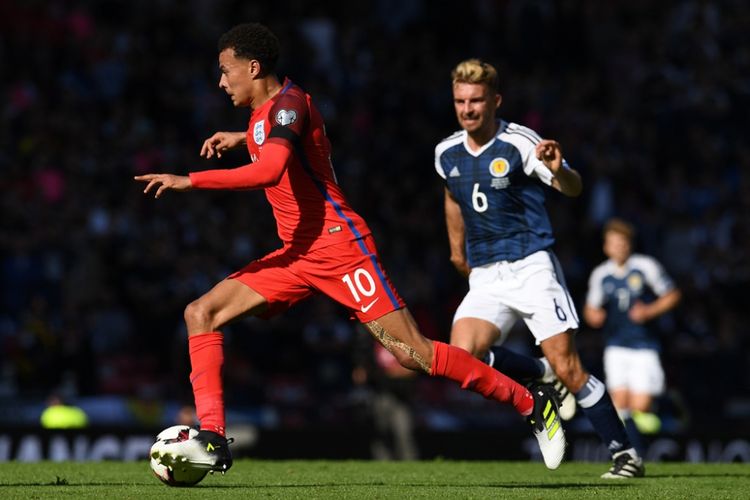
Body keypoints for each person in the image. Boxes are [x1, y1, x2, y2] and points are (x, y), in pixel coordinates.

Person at [135, 24, 565, 474]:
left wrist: (192, 180)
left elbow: (271, 168)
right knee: (200, 313)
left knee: (412, 353)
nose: (221, 82)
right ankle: (213, 438)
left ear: (253, 66)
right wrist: (242, 137)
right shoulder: (267, 111)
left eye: (226, 71)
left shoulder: (288, 104)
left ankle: (529, 401)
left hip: (341, 249)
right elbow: (288, 141)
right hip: (298, 254)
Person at [434, 58, 644, 478]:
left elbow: (572, 187)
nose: (467, 109)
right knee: (461, 356)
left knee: (571, 367)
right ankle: (539, 372)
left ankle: (625, 454)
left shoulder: (520, 142)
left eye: (476, 100)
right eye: (460, 101)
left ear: (495, 101)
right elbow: (453, 200)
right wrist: (457, 253)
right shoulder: (446, 152)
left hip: (531, 266)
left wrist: (558, 169)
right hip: (486, 274)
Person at [584, 218, 681, 454]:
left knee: (641, 406)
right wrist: (593, 316)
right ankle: (629, 454)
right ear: (606, 247)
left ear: (630, 244)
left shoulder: (645, 266)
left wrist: (649, 311)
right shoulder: (601, 274)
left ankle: (658, 427)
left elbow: (672, 295)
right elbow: (590, 308)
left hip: (644, 345)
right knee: (619, 403)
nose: (619, 247)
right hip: (616, 345)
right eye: (613, 243)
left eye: (623, 242)